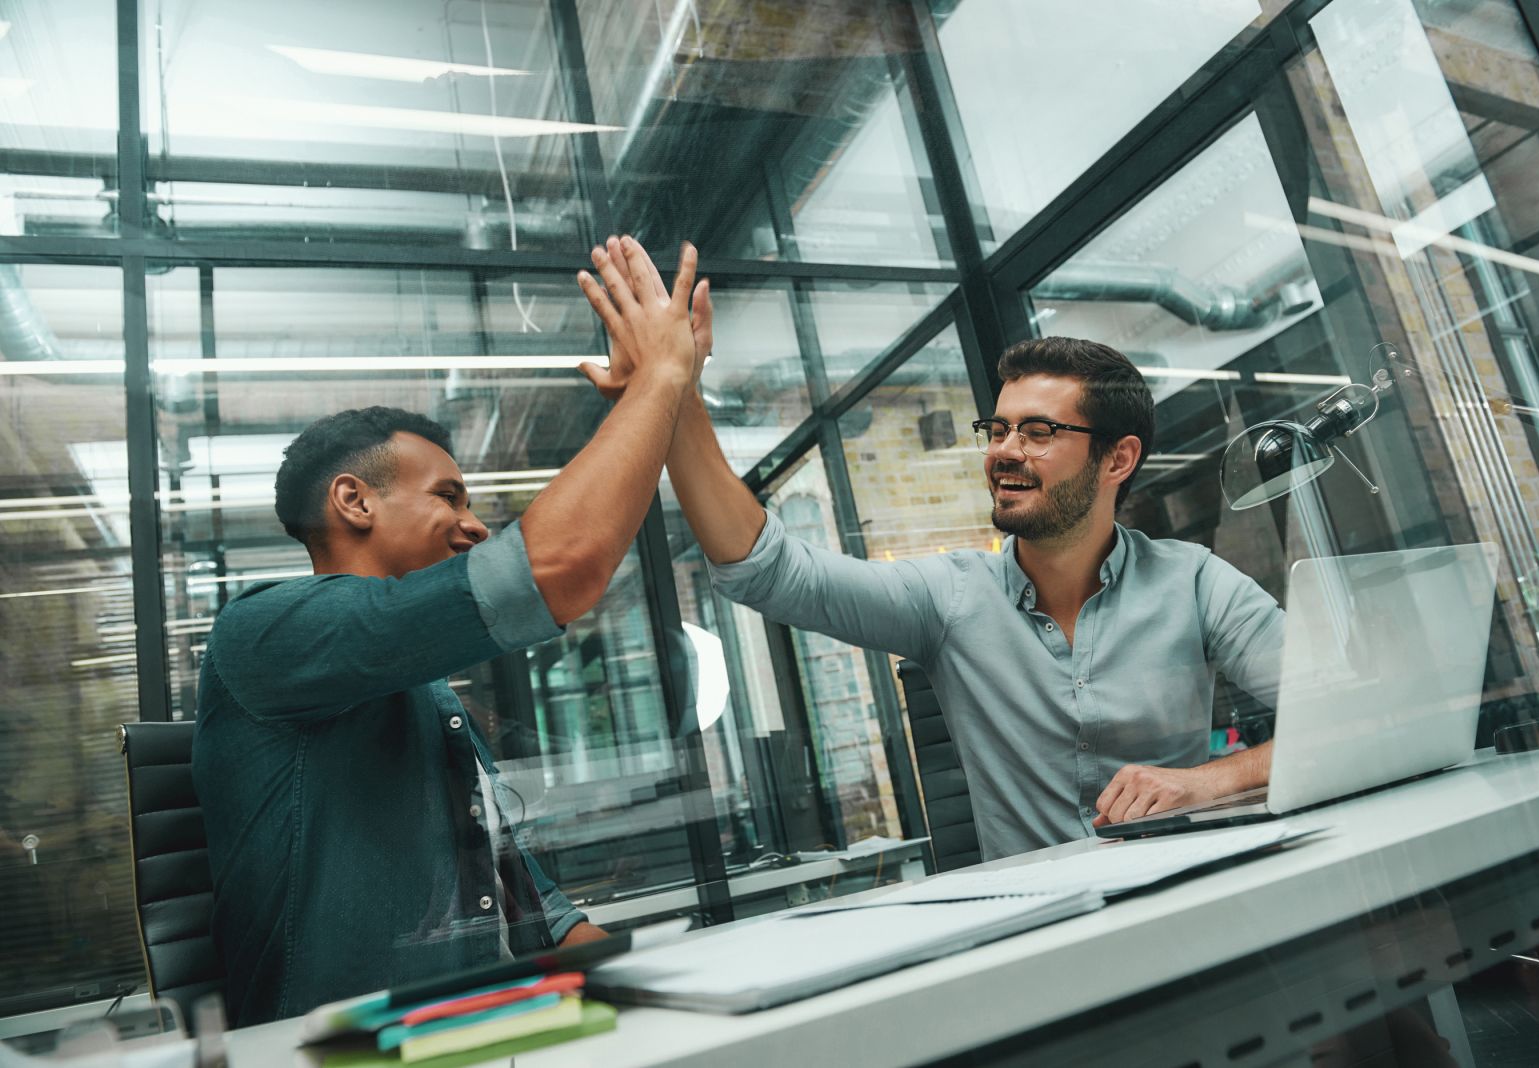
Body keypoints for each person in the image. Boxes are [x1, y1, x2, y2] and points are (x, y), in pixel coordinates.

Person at [576, 236, 1284, 861]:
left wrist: (1207, 779)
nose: (1003, 452)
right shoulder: (949, 599)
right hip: (1039, 943)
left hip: (1188, 902)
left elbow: (1342, 708)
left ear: (1118, 459)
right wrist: (673, 394)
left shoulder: (1194, 584)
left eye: (1037, 433)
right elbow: (768, 570)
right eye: (998, 429)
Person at [193, 242, 703, 1026]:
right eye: (449, 496)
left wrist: (661, 994)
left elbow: (516, 884)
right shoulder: (262, 633)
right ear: (353, 502)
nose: (474, 522)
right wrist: (663, 378)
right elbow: (560, 566)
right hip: (352, 1048)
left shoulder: (423, 686)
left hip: (481, 1022)